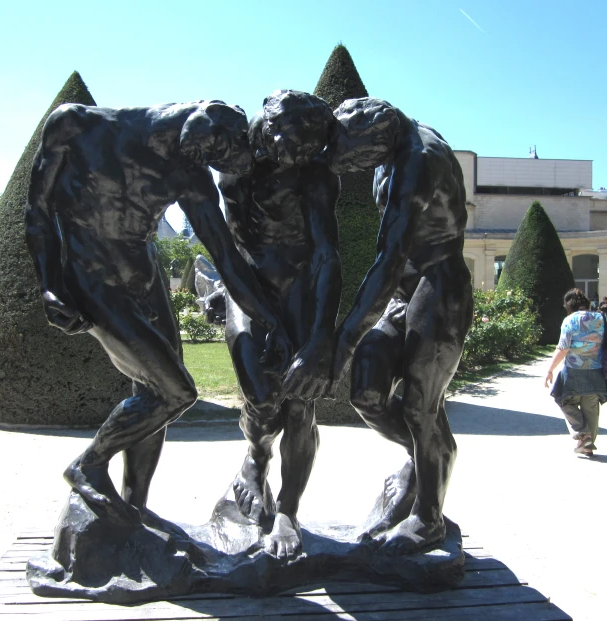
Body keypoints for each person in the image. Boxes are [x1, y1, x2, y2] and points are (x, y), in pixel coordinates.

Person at [25, 100, 291, 526]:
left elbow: (225, 255)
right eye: (210, 157)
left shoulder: (189, 169)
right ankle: (88, 465)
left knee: (148, 393)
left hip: (144, 282)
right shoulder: (75, 125)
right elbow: (37, 209)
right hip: (92, 278)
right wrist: (50, 285)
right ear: (197, 132)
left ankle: (134, 509)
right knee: (174, 392)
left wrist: (268, 317)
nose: (204, 168)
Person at [317, 97, 473, 555]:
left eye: (350, 160)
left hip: (439, 285)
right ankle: (428, 460)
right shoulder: (393, 146)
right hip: (406, 291)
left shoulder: (419, 160)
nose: (347, 169)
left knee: (421, 408)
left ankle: (429, 517)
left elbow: (387, 261)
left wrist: (343, 341)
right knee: (366, 393)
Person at [219, 90, 341, 559]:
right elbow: (227, 242)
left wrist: (319, 339)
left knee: (299, 403)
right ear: (266, 127)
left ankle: (288, 508)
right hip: (247, 282)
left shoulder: (313, 173)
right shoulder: (233, 165)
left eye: (306, 150)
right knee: (260, 392)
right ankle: (256, 455)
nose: (296, 157)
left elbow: (328, 254)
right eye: (289, 145)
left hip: (300, 286)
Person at [545, 288, 606, 457]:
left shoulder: (569, 320)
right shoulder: (602, 318)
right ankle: (587, 446)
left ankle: (583, 434)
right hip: (596, 371)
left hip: (574, 371)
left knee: (563, 399)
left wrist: (550, 370)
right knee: (591, 408)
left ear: (569, 305)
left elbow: (563, 348)